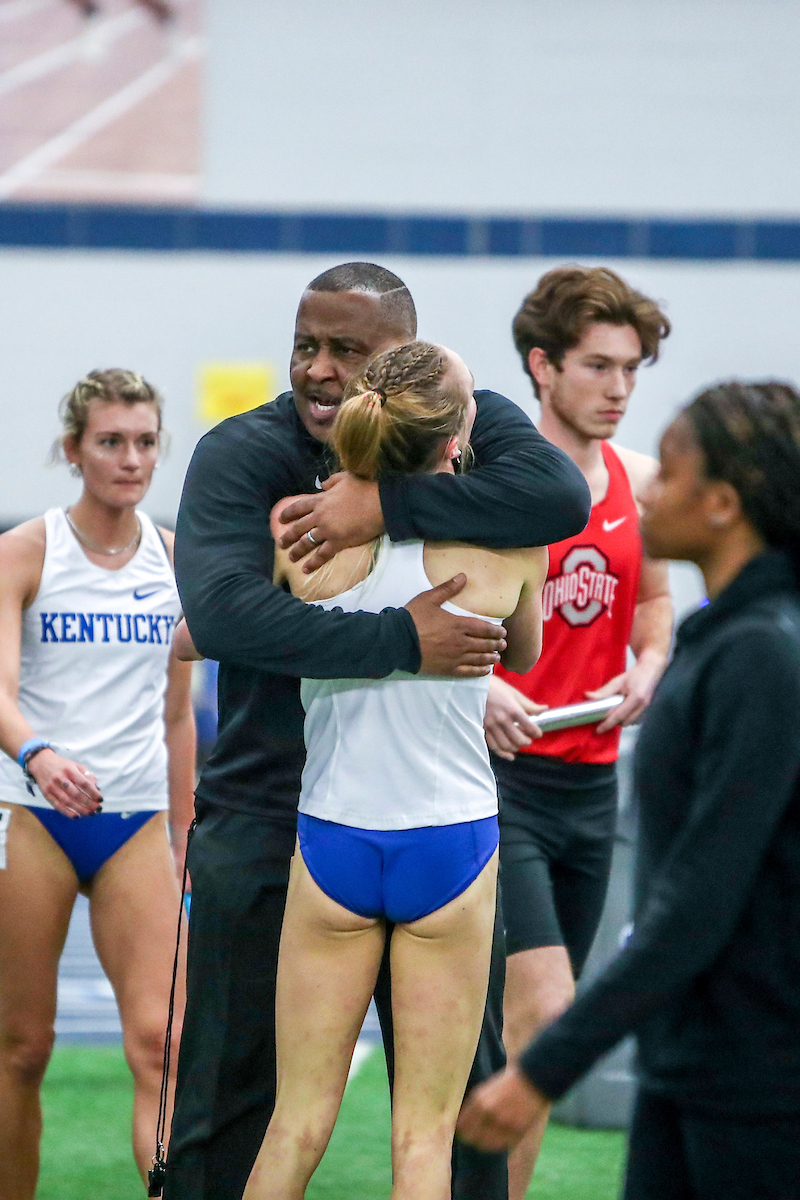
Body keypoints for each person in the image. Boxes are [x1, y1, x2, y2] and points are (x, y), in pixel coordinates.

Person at [166, 261, 591, 1200]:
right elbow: (224, 623)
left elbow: (564, 497)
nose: (319, 370)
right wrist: (407, 637)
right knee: (245, 1103)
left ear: (407, 364)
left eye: (347, 352)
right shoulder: (242, 452)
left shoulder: (462, 417)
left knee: (363, 1116)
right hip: (287, 815)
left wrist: (380, 504)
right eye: (304, 347)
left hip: (351, 826)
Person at [458, 379, 800, 1200]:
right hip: (689, 1060)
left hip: (758, 1080)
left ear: (723, 503)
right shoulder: (722, 636)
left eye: (672, 471)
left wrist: (541, 1069)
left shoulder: (765, 652)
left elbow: (701, 897)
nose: (647, 486)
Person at [240, 341, 548, 1200]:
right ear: (457, 442)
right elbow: (522, 653)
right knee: (423, 1142)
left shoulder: (298, 531)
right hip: (449, 842)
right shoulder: (512, 547)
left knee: (295, 1126)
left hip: (335, 834)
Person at [483, 265, 673, 1197]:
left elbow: (659, 605)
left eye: (632, 369)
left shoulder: (639, 481)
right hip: (502, 784)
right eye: (599, 366)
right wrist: (479, 691)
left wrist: (648, 668)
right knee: (549, 1016)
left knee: (534, 1037)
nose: (619, 388)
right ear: (542, 367)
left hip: (593, 786)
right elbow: (431, 610)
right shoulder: (498, 482)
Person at [0, 369, 195, 1200]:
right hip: (34, 815)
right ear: (74, 449)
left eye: (146, 442)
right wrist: (38, 753)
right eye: (111, 442)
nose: (130, 459)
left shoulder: (175, 559)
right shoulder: (26, 550)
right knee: (21, 1046)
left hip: (136, 820)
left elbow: (179, 715)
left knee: (162, 1041)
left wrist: (188, 838)